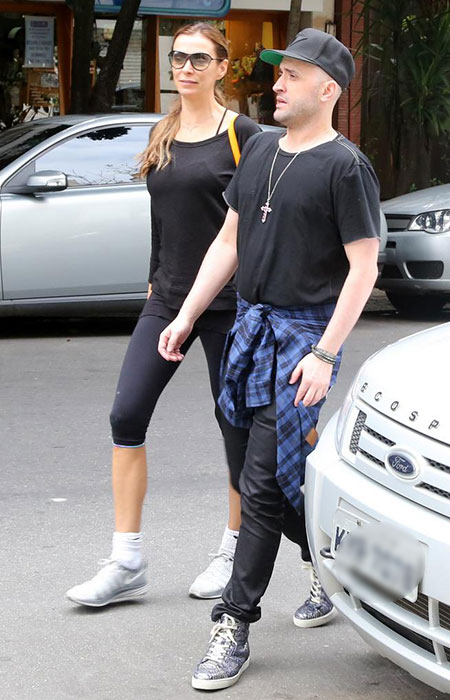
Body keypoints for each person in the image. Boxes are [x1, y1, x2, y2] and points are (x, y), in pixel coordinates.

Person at [158, 28, 381, 691]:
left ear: (328, 89)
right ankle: (344, 570)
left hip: (302, 342)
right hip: (251, 334)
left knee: (258, 482)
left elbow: (363, 269)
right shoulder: (258, 151)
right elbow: (227, 241)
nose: (277, 83)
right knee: (276, 482)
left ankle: (234, 623)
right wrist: (187, 312)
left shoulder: (347, 166)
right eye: (278, 73)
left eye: (293, 75)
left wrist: (323, 353)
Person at [66, 22, 260, 608]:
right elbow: (162, 218)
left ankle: (233, 552)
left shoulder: (243, 135)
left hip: (229, 305)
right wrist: (156, 279)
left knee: (236, 433)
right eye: (179, 58)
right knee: (126, 414)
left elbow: (254, 222)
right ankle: (127, 559)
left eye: (200, 59)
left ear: (223, 68)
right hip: (168, 299)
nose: (186, 68)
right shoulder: (165, 130)